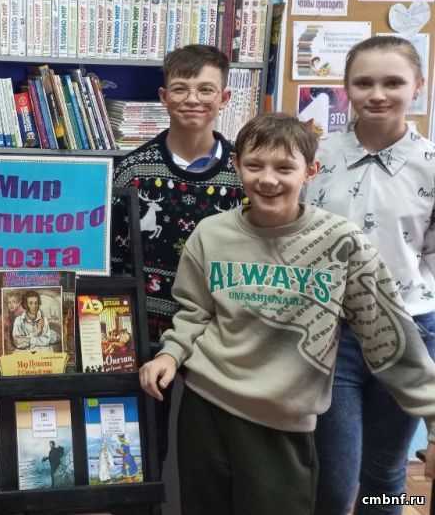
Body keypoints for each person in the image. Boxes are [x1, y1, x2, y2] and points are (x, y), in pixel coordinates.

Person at [140, 112, 435, 515]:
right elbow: (194, 311)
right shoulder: (210, 234)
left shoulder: (342, 242)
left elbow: (390, 337)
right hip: (205, 409)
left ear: (311, 171)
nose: (268, 179)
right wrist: (170, 354)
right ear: (236, 166)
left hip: (283, 422)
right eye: (255, 165)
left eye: (284, 168)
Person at [305, 35, 435, 515]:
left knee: (385, 474)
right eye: (364, 83)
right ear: (346, 88)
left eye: (393, 82)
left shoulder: (431, 165)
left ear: (417, 86)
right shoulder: (314, 155)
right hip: (329, 334)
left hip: (409, 333)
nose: (378, 94)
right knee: (334, 480)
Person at [111, 44, 245, 463]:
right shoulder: (132, 170)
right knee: (146, 447)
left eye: (206, 90)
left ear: (224, 98)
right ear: (163, 96)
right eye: (180, 88)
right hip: (145, 332)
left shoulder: (244, 173)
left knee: (212, 451)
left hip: (219, 333)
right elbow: (115, 258)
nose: (192, 99)